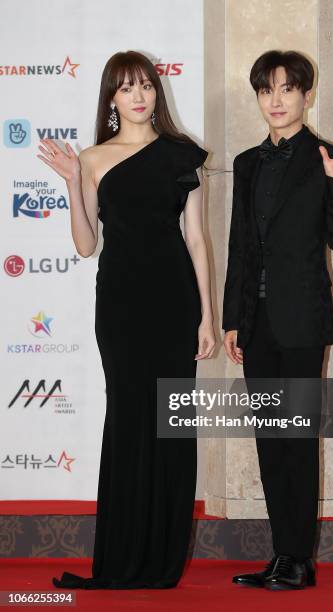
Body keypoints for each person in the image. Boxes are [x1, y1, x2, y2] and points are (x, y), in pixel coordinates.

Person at [37, 50, 216, 589]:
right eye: (126, 87)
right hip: (119, 305)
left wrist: (208, 317)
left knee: (171, 425)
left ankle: (162, 562)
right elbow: (86, 243)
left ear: (157, 93)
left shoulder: (184, 155)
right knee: (128, 423)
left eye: (146, 85)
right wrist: (72, 181)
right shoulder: (91, 159)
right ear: (111, 98)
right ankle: (119, 560)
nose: (139, 95)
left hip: (174, 301)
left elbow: (198, 239)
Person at [222, 50, 333, 591]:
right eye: (267, 90)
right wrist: (232, 320)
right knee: (269, 439)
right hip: (256, 324)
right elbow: (241, 246)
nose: (276, 100)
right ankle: (282, 555)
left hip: (303, 324)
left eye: (287, 89)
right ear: (258, 97)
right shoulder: (246, 163)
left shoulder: (326, 157)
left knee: (297, 438)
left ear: (306, 94)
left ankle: (300, 561)